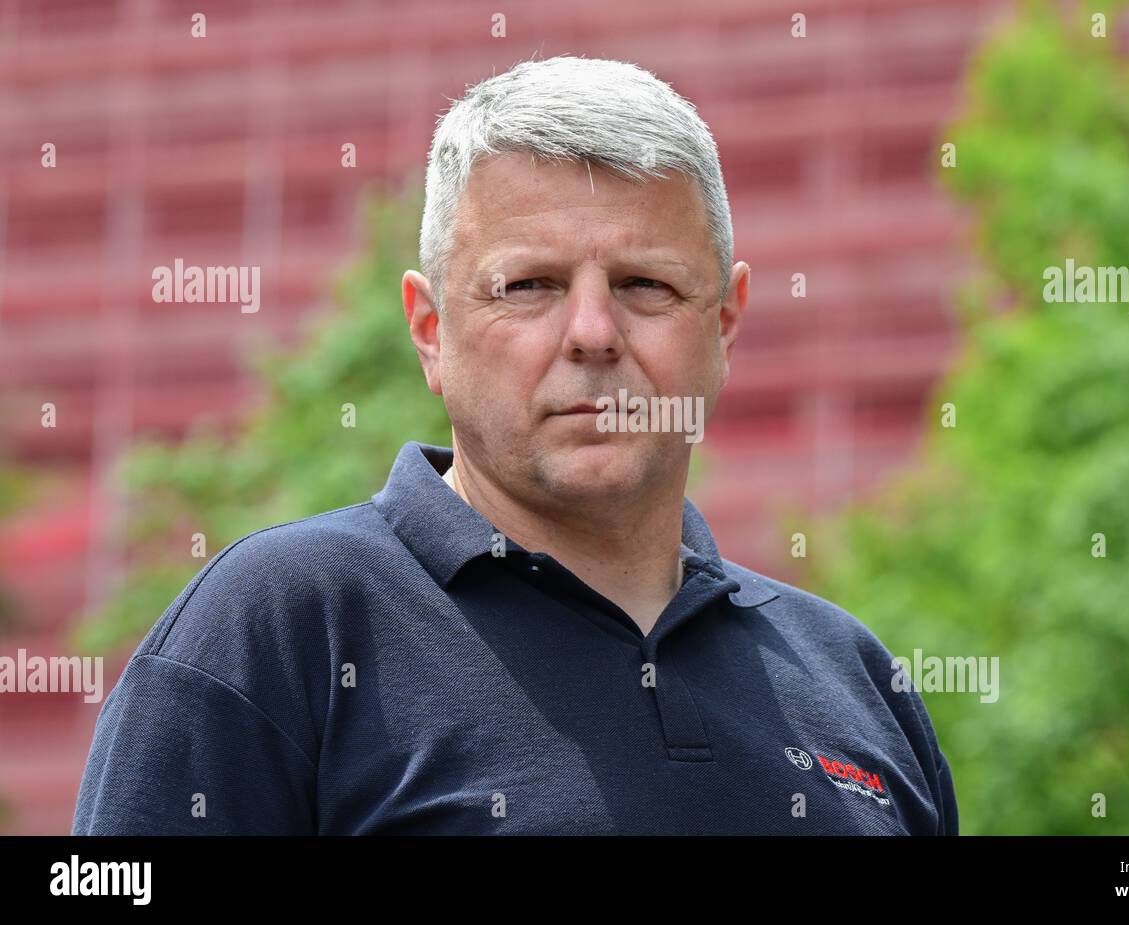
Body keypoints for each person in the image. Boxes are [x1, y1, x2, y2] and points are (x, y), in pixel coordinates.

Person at [72, 55, 957, 835]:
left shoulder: (855, 681)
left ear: (724, 324)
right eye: (528, 284)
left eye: (645, 284)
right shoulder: (275, 629)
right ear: (430, 328)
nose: (592, 332)